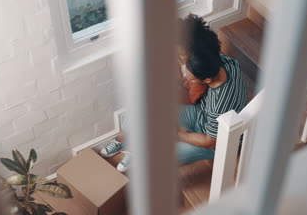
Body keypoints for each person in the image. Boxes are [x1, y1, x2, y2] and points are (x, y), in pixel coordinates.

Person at [100, 16, 247, 170]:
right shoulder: (216, 60)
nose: (178, 60)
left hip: (216, 140)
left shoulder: (220, 102)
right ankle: (124, 138)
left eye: (181, 56)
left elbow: (210, 141)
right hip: (201, 112)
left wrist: (176, 135)